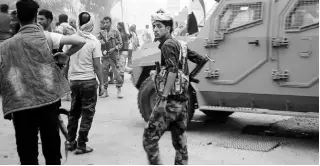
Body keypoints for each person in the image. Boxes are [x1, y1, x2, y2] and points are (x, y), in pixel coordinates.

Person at [0, 0, 85, 164]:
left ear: (17, 17)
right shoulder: (46, 37)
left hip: (21, 105)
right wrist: (65, 57)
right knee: (52, 149)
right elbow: (80, 41)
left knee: (27, 153)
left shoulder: (6, 46)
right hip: (47, 102)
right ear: (34, 17)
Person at [142, 11, 208, 165]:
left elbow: (172, 70)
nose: (155, 29)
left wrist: (164, 98)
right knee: (179, 142)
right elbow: (201, 59)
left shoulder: (167, 45)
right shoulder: (180, 44)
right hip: (183, 103)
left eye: (159, 26)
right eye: (154, 26)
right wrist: (187, 77)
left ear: (168, 28)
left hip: (170, 102)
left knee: (149, 138)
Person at [64, 11, 105, 155]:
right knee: (87, 114)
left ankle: (70, 142)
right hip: (88, 82)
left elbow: (65, 62)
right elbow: (97, 66)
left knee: (74, 112)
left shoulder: (70, 39)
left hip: (73, 82)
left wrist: (64, 81)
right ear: (92, 25)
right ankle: (82, 145)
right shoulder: (94, 42)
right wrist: (103, 85)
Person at [96, 16, 124, 98]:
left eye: (107, 22)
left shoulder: (115, 32)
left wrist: (114, 48)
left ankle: (119, 90)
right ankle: (105, 91)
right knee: (104, 74)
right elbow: (97, 44)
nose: (105, 24)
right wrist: (101, 44)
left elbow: (120, 43)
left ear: (110, 23)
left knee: (117, 74)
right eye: (104, 22)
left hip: (114, 56)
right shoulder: (101, 33)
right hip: (105, 57)